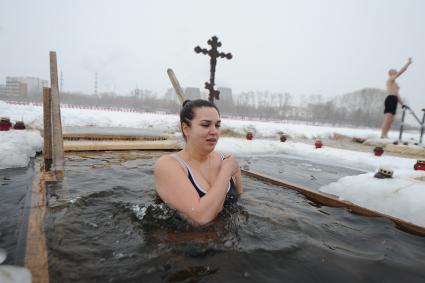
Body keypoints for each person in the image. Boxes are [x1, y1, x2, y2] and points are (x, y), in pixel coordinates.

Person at [154, 99, 243, 226]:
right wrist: (226, 173)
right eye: (206, 125)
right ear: (186, 129)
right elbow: (201, 217)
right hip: (183, 241)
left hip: (226, 241)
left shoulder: (227, 161)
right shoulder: (168, 165)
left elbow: (240, 201)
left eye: (217, 125)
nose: (214, 131)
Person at [381, 57, 412, 138]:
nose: (396, 72)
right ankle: (383, 135)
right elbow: (401, 71)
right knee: (388, 118)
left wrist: (402, 104)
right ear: (391, 73)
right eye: (395, 71)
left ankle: (385, 135)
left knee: (391, 120)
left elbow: (397, 94)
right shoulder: (390, 79)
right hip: (390, 99)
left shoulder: (395, 84)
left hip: (394, 99)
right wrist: (408, 63)